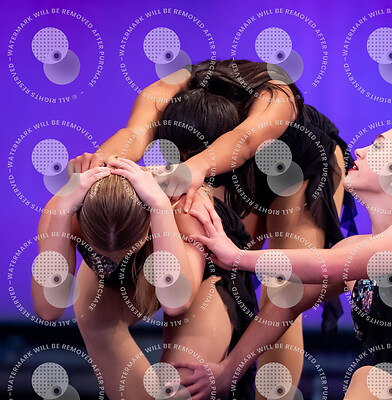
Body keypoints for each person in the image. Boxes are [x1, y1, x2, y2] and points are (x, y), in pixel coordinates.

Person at [69, 59, 356, 396]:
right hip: (218, 162)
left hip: (293, 160)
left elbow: (244, 142)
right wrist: (100, 165)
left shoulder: (276, 97)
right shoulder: (163, 93)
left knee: (284, 286)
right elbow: (133, 135)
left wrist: (191, 170)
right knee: (223, 251)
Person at [183, 124, 392, 399]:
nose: (359, 150)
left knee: (371, 378)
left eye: (378, 147)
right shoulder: (355, 249)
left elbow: (333, 264)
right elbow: (285, 303)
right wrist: (229, 370)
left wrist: (237, 256)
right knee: (372, 377)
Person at [31, 90, 259, 399]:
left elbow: (176, 302)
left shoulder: (183, 211)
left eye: (124, 254)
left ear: (145, 231)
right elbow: (48, 309)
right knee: (97, 321)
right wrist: (60, 211)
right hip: (120, 282)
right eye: (103, 258)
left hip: (198, 276)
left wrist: (160, 207)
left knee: (178, 390)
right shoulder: (64, 214)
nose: (114, 262)